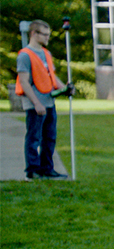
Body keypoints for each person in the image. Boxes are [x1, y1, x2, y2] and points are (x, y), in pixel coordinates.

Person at [16, 19, 71, 179]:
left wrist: (65, 88)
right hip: (35, 104)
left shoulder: (46, 54)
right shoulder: (25, 55)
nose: (48, 38)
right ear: (34, 33)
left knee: (49, 137)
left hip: (49, 102)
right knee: (34, 137)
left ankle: (47, 168)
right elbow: (24, 82)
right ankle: (33, 169)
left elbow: (52, 78)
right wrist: (36, 103)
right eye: (45, 34)